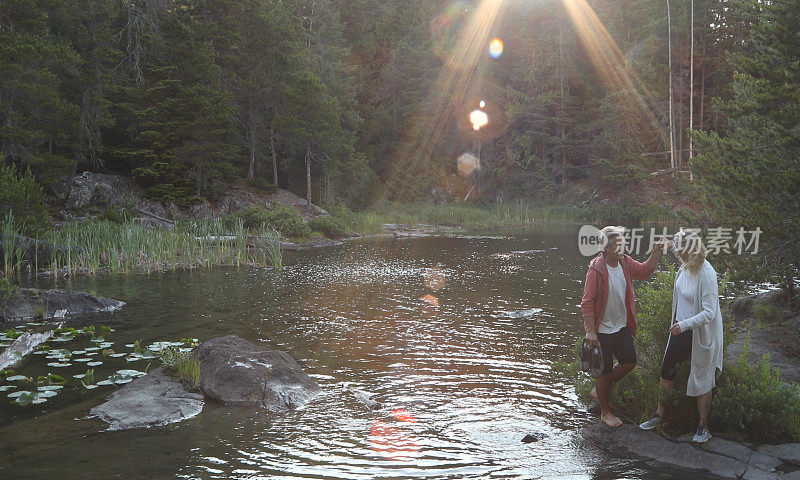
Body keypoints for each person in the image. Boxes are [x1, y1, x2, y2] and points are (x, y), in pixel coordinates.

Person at [638, 230, 723, 443]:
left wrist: (684, 325)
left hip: (699, 333)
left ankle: (703, 426)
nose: (677, 250)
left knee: (702, 378)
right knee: (667, 371)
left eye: (680, 247)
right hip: (680, 330)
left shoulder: (706, 272)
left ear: (692, 247)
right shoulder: (684, 267)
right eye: (675, 246)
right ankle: (659, 415)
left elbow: (709, 312)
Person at [581, 226, 667, 427]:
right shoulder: (596, 270)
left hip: (621, 327)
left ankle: (602, 388)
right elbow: (587, 302)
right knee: (602, 371)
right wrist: (591, 331)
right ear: (607, 248)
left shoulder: (625, 263)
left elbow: (645, 271)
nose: (624, 246)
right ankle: (605, 412)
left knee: (630, 362)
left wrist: (655, 252)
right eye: (619, 243)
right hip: (602, 330)